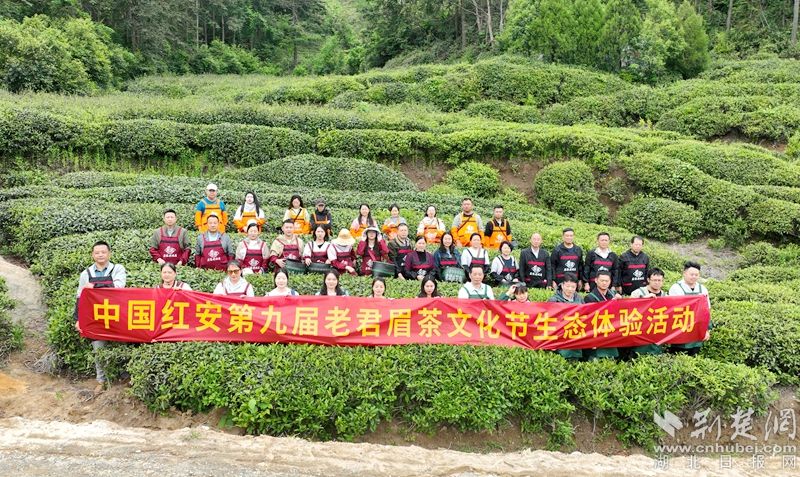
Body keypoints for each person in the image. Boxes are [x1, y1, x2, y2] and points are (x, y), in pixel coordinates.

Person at [74, 241, 127, 393]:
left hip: (117, 314)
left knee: (122, 345)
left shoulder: (118, 269)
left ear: (109, 253)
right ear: (92, 255)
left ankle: (124, 376)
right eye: (97, 253)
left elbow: (119, 286)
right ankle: (101, 380)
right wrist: (78, 319)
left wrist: (95, 286)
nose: (100, 255)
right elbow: (80, 297)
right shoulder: (86, 274)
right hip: (96, 317)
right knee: (98, 349)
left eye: (103, 252)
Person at [668, 261, 711, 355]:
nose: (694, 277)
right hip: (680, 327)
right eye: (691, 274)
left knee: (694, 355)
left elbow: (706, 310)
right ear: (684, 273)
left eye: (696, 275)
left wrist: (706, 329)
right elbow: (674, 310)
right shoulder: (676, 288)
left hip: (697, 329)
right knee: (677, 355)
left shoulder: (702, 289)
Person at [628, 268, 667, 356]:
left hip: (657, 332)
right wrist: (643, 300)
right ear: (648, 280)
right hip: (640, 331)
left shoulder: (665, 296)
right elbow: (629, 309)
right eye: (654, 280)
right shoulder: (638, 293)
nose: (657, 283)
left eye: (659, 280)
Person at [583, 271, 622, 360]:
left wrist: (621, 301)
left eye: (607, 281)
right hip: (597, 334)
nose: (604, 283)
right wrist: (611, 303)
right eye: (602, 280)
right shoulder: (589, 297)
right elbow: (590, 319)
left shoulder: (614, 294)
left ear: (610, 281)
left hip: (611, 332)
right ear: (596, 280)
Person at [547, 273, 583, 360]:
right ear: (562, 285)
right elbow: (549, 322)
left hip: (575, 338)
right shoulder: (554, 300)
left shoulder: (579, 299)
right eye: (567, 286)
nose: (570, 289)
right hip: (560, 337)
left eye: (573, 287)